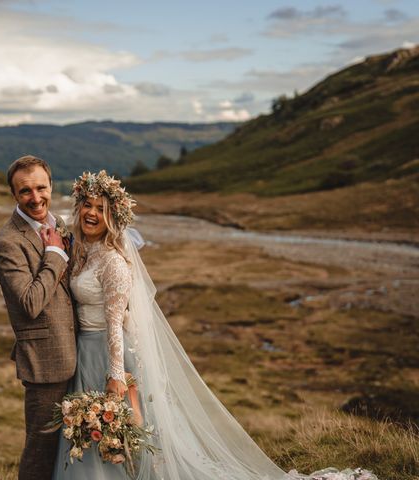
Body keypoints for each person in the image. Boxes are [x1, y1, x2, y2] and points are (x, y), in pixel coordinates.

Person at [52, 170, 377, 480]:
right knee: (96, 434)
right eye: (87, 206)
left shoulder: (112, 261)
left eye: (100, 208)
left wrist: (115, 375)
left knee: (116, 435)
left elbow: (114, 324)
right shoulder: (83, 251)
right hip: (86, 353)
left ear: (113, 217)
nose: (91, 213)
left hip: (108, 357)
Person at [0, 155, 76, 480]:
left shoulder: (60, 226)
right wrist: (54, 255)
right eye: (25, 191)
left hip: (80, 353)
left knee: (71, 446)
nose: (36, 197)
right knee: (41, 452)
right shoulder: (7, 243)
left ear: (52, 186)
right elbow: (30, 303)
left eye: (41, 187)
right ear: (14, 194)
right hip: (46, 363)